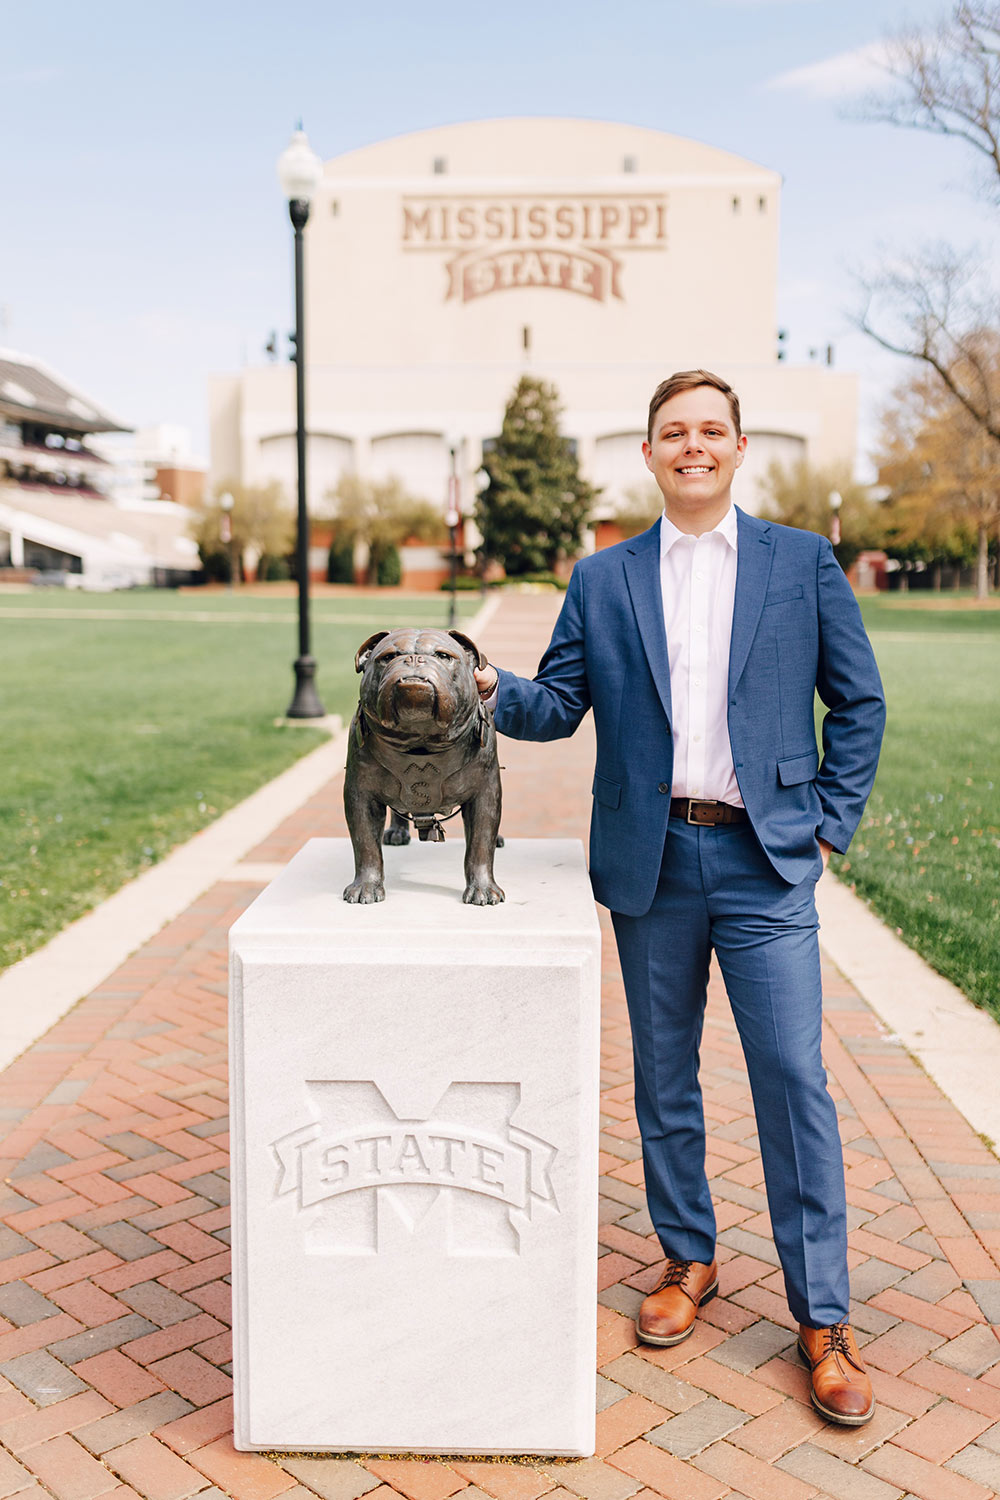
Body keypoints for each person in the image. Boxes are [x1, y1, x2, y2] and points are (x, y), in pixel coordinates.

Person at [474, 370, 885, 1426]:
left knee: (793, 1080)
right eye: (672, 432)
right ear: (649, 454)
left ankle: (824, 1319)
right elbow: (559, 704)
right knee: (664, 1080)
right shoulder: (603, 577)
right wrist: (489, 689)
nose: (691, 445)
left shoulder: (799, 562)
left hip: (764, 862)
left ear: (739, 447)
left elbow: (859, 699)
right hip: (650, 864)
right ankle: (687, 1257)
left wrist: (827, 821)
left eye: (710, 430)